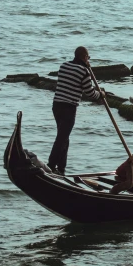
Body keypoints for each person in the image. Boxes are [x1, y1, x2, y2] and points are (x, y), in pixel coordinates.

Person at [47, 46, 104, 175]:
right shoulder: (84, 72)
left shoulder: (64, 66)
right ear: (84, 57)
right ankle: (51, 166)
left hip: (56, 105)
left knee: (64, 137)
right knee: (62, 138)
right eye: (88, 57)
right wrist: (101, 94)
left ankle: (61, 169)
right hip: (69, 108)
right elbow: (90, 94)